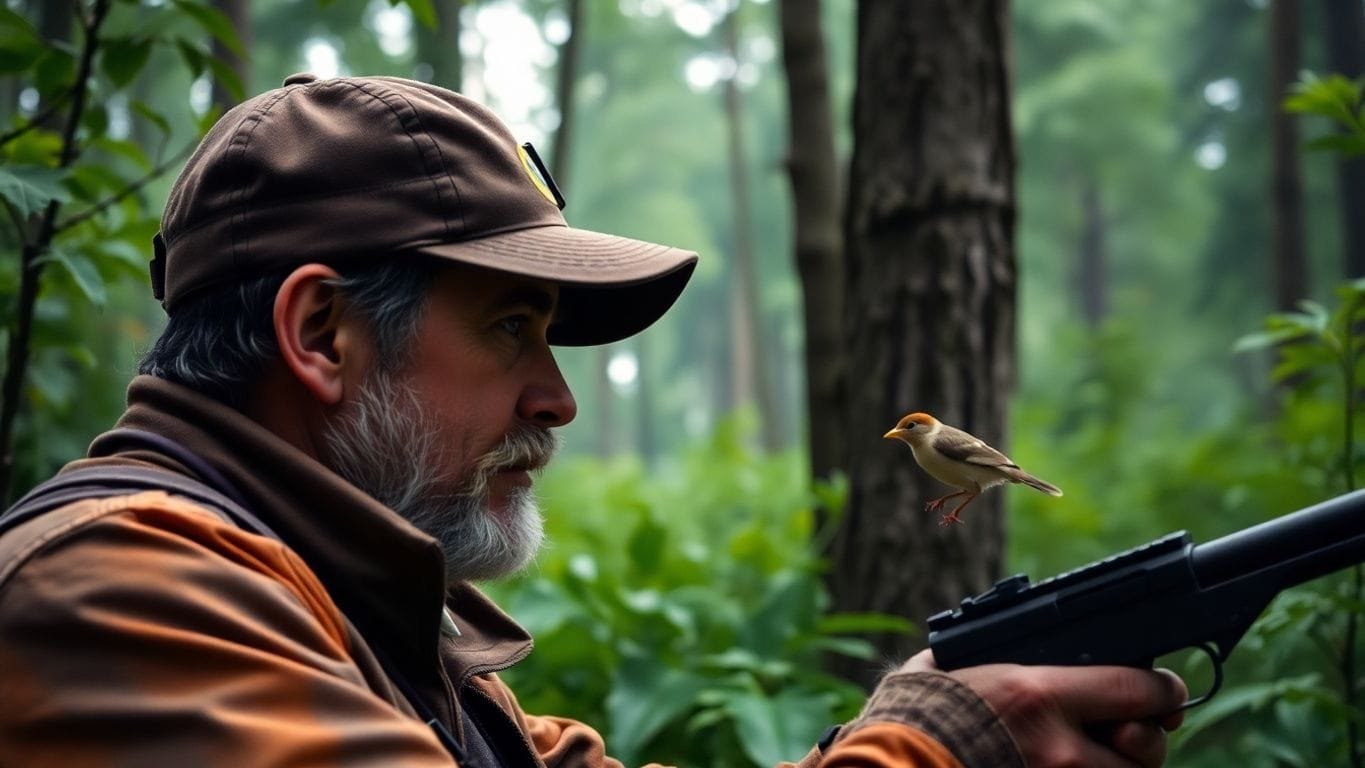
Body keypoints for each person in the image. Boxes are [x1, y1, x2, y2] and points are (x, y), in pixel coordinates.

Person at [0, 74, 1186, 767]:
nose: (558, 397)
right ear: (320, 337)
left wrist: (938, 714)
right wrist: (926, 749)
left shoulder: (364, 619)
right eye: (514, 326)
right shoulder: (117, 595)